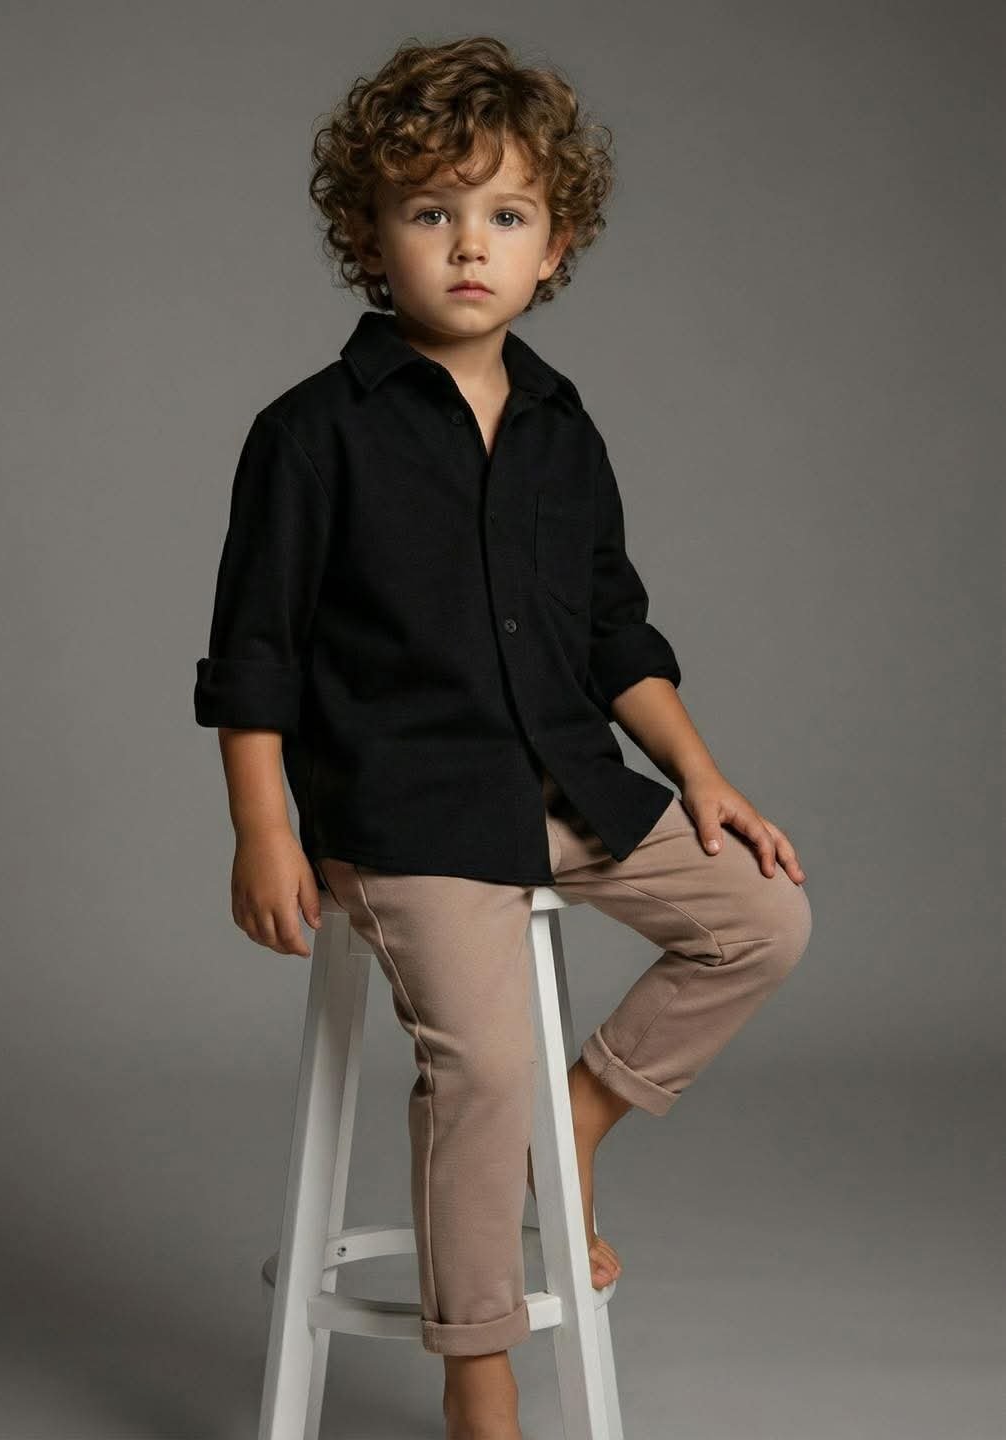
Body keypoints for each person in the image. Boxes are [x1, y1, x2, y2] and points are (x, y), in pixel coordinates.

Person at [193, 35, 812, 1440]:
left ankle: (576, 1127)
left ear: (554, 245)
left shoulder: (561, 427)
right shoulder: (310, 434)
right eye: (432, 211)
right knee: (480, 1063)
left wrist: (703, 777)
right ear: (370, 237)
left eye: (507, 213)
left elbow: (614, 633)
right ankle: (479, 1374)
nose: (470, 244)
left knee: (764, 917)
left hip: (564, 783)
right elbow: (255, 652)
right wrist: (264, 829)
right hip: (405, 811)